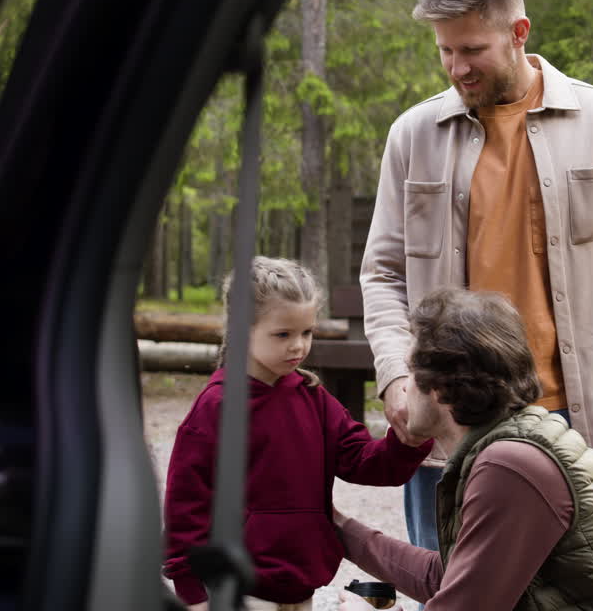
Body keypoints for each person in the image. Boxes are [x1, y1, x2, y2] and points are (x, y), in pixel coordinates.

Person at [360, 0, 593, 554]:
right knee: (449, 589)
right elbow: (384, 272)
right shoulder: (413, 135)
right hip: (449, 418)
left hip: (576, 423)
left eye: (472, 49)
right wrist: (398, 376)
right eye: (445, 51)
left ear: (519, 32)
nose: (457, 67)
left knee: (570, 593)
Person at [335, 287, 593, 611]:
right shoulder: (512, 442)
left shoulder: (510, 466)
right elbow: (451, 577)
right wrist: (339, 529)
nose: (403, 386)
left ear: (439, 386)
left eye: (410, 369)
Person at [162, 257, 433, 611]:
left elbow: (366, 464)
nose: (299, 347)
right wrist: (193, 593)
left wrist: (407, 440)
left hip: (300, 586)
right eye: (283, 334)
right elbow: (186, 508)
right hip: (238, 591)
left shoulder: (313, 397)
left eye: (307, 333)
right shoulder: (216, 407)